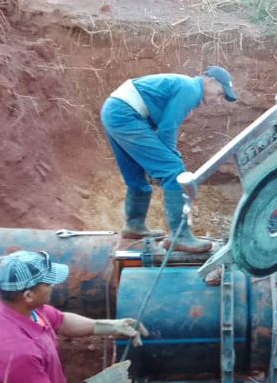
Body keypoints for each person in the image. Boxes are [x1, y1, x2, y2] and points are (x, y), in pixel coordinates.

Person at [0, 250, 144, 383]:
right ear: (28, 295)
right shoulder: (17, 354)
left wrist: (109, 326)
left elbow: (60, 320)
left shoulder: (7, 300)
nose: (53, 286)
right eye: (48, 283)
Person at [100, 66, 238, 252]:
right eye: (220, 93)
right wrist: (171, 156)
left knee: (136, 174)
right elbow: (167, 127)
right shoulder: (191, 89)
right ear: (211, 81)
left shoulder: (186, 85)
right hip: (125, 114)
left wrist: (166, 155)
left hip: (115, 110)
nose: (218, 99)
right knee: (174, 170)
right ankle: (179, 236)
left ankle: (134, 225)